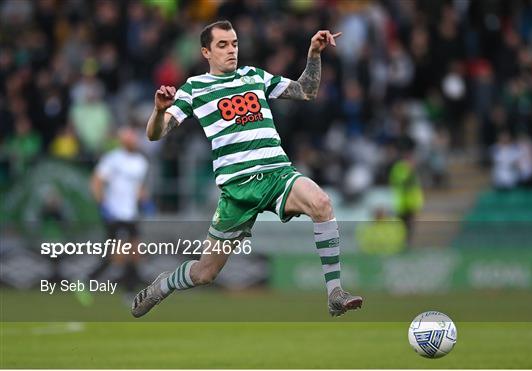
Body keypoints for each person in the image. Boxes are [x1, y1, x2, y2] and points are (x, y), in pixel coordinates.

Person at [131, 20, 363, 318]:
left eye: (235, 44)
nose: (231, 50)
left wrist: (314, 53)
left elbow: (305, 91)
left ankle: (334, 293)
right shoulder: (194, 88)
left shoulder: (254, 76)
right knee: (204, 273)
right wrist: (159, 110)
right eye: (223, 45)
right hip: (237, 190)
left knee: (322, 203)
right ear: (206, 52)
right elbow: (155, 134)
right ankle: (164, 285)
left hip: (277, 174)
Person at [88, 126, 149, 303]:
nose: (133, 140)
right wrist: (102, 205)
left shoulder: (140, 162)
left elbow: (138, 188)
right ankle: (88, 281)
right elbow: (96, 182)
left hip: (131, 213)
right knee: (116, 256)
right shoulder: (113, 159)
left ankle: (129, 292)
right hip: (115, 213)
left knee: (134, 253)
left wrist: (145, 200)